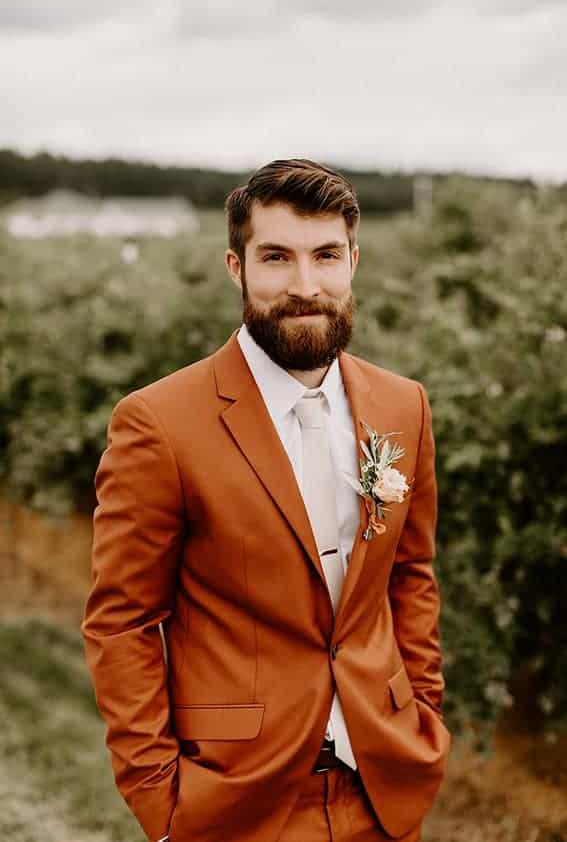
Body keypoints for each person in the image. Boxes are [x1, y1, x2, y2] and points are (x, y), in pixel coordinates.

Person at [82, 158, 451, 842]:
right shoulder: (158, 422)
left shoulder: (404, 405)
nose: (304, 285)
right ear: (236, 267)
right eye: (276, 257)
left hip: (382, 790)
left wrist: (421, 714)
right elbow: (122, 622)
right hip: (236, 802)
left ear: (353, 262)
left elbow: (409, 576)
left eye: (326, 256)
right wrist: (158, 802)